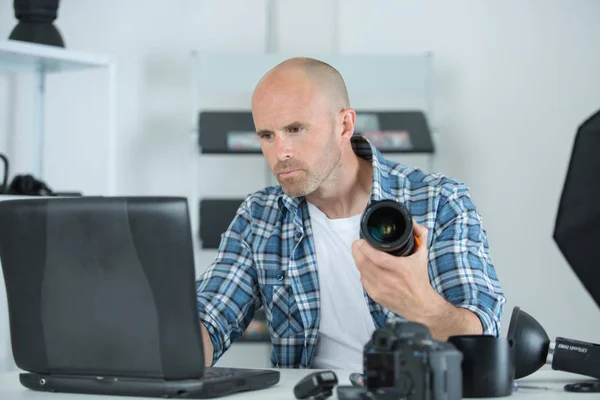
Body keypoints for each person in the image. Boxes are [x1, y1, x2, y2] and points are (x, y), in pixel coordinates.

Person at [195, 57, 505, 370]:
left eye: (295, 129)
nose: (281, 152)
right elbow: (211, 318)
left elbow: (483, 339)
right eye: (267, 135)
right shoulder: (259, 217)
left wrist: (422, 306)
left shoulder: (438, 202)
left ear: (344, 125)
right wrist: (166, 330)